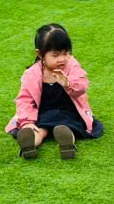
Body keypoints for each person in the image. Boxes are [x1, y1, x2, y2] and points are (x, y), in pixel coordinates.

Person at [7, 23, 103, 160]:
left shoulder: (72, 65)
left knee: (68, 125)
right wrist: (27, 122)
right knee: (39, 128)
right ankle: (30, 143)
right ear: (40, 54)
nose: (62, 59)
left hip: (69, 111)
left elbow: (82, 86)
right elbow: (25, 100)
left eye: (65, 53)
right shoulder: (32, 74)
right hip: (42, 113)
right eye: (55, 55)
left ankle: (67, 142)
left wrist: (68, 84)